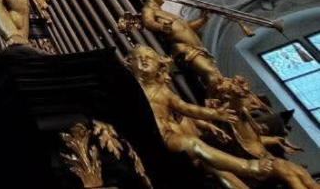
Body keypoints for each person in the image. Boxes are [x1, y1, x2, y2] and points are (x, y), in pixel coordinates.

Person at [127, 46, 310, 189]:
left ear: (160, 66)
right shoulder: (127, 89)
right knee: (195, 145)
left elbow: (188, 108)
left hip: (169, 137)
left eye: (149, 57)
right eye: (138, 58)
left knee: (196, 146)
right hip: (148, 141)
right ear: (129, 64)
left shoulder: (163, 92)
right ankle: (248, 166)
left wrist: (215, 115)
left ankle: (248, 167)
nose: (143, 60)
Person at [127, 0, 223, 88]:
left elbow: (186, 28)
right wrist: (160, 26)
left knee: (213, 75)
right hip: (184, 49)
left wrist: (202, 19)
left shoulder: (163, 12)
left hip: (196, 48)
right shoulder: (148, 10)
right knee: (211, 73)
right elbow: (148, 22)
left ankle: (215, 97)